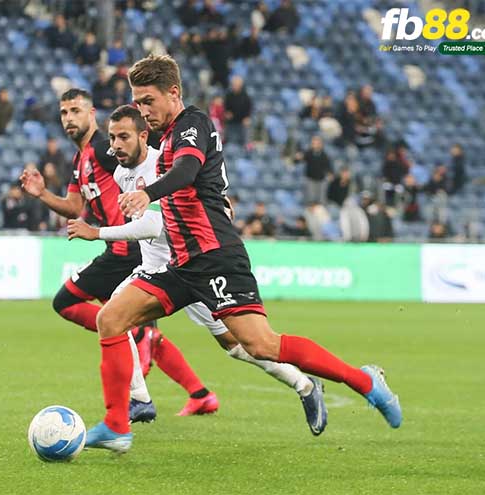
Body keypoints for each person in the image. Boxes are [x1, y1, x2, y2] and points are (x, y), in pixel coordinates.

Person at [84, 54, 401, 452]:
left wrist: (147, 194)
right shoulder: (165, 136)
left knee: (261, 345)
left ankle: (365, 381)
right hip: (179, 263)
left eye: (148, 101)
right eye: (137, 101)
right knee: (110, 319)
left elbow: (185, 173)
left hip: (215, 255)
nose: (142, 110)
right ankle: (117, 427)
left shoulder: (192, 125)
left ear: (174, 94)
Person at [66, 105, 326, 433]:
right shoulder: (121, 174)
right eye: (113, 138)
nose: (115, 145)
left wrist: (98, 233)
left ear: (143, 136)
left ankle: (305, 385)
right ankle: (140, 399)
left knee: (240, 346)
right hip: (158, 271)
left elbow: (155, 225)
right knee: (114, 317)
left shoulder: (163, 165)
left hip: (190, 267)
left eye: (123, 137)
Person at [19, 89, 215, 421]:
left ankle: (139, 371)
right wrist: (42, 194)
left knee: (67, 303)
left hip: (129, 250)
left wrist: (205, 198)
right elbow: (74, 208)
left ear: (91, 112)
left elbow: (150, 161)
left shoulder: (104, 148)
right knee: (128, 322)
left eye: (75, 111)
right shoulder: (82, 158)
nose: (69, 118)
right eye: (64, 112)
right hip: (122, 249)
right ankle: (199, 393)